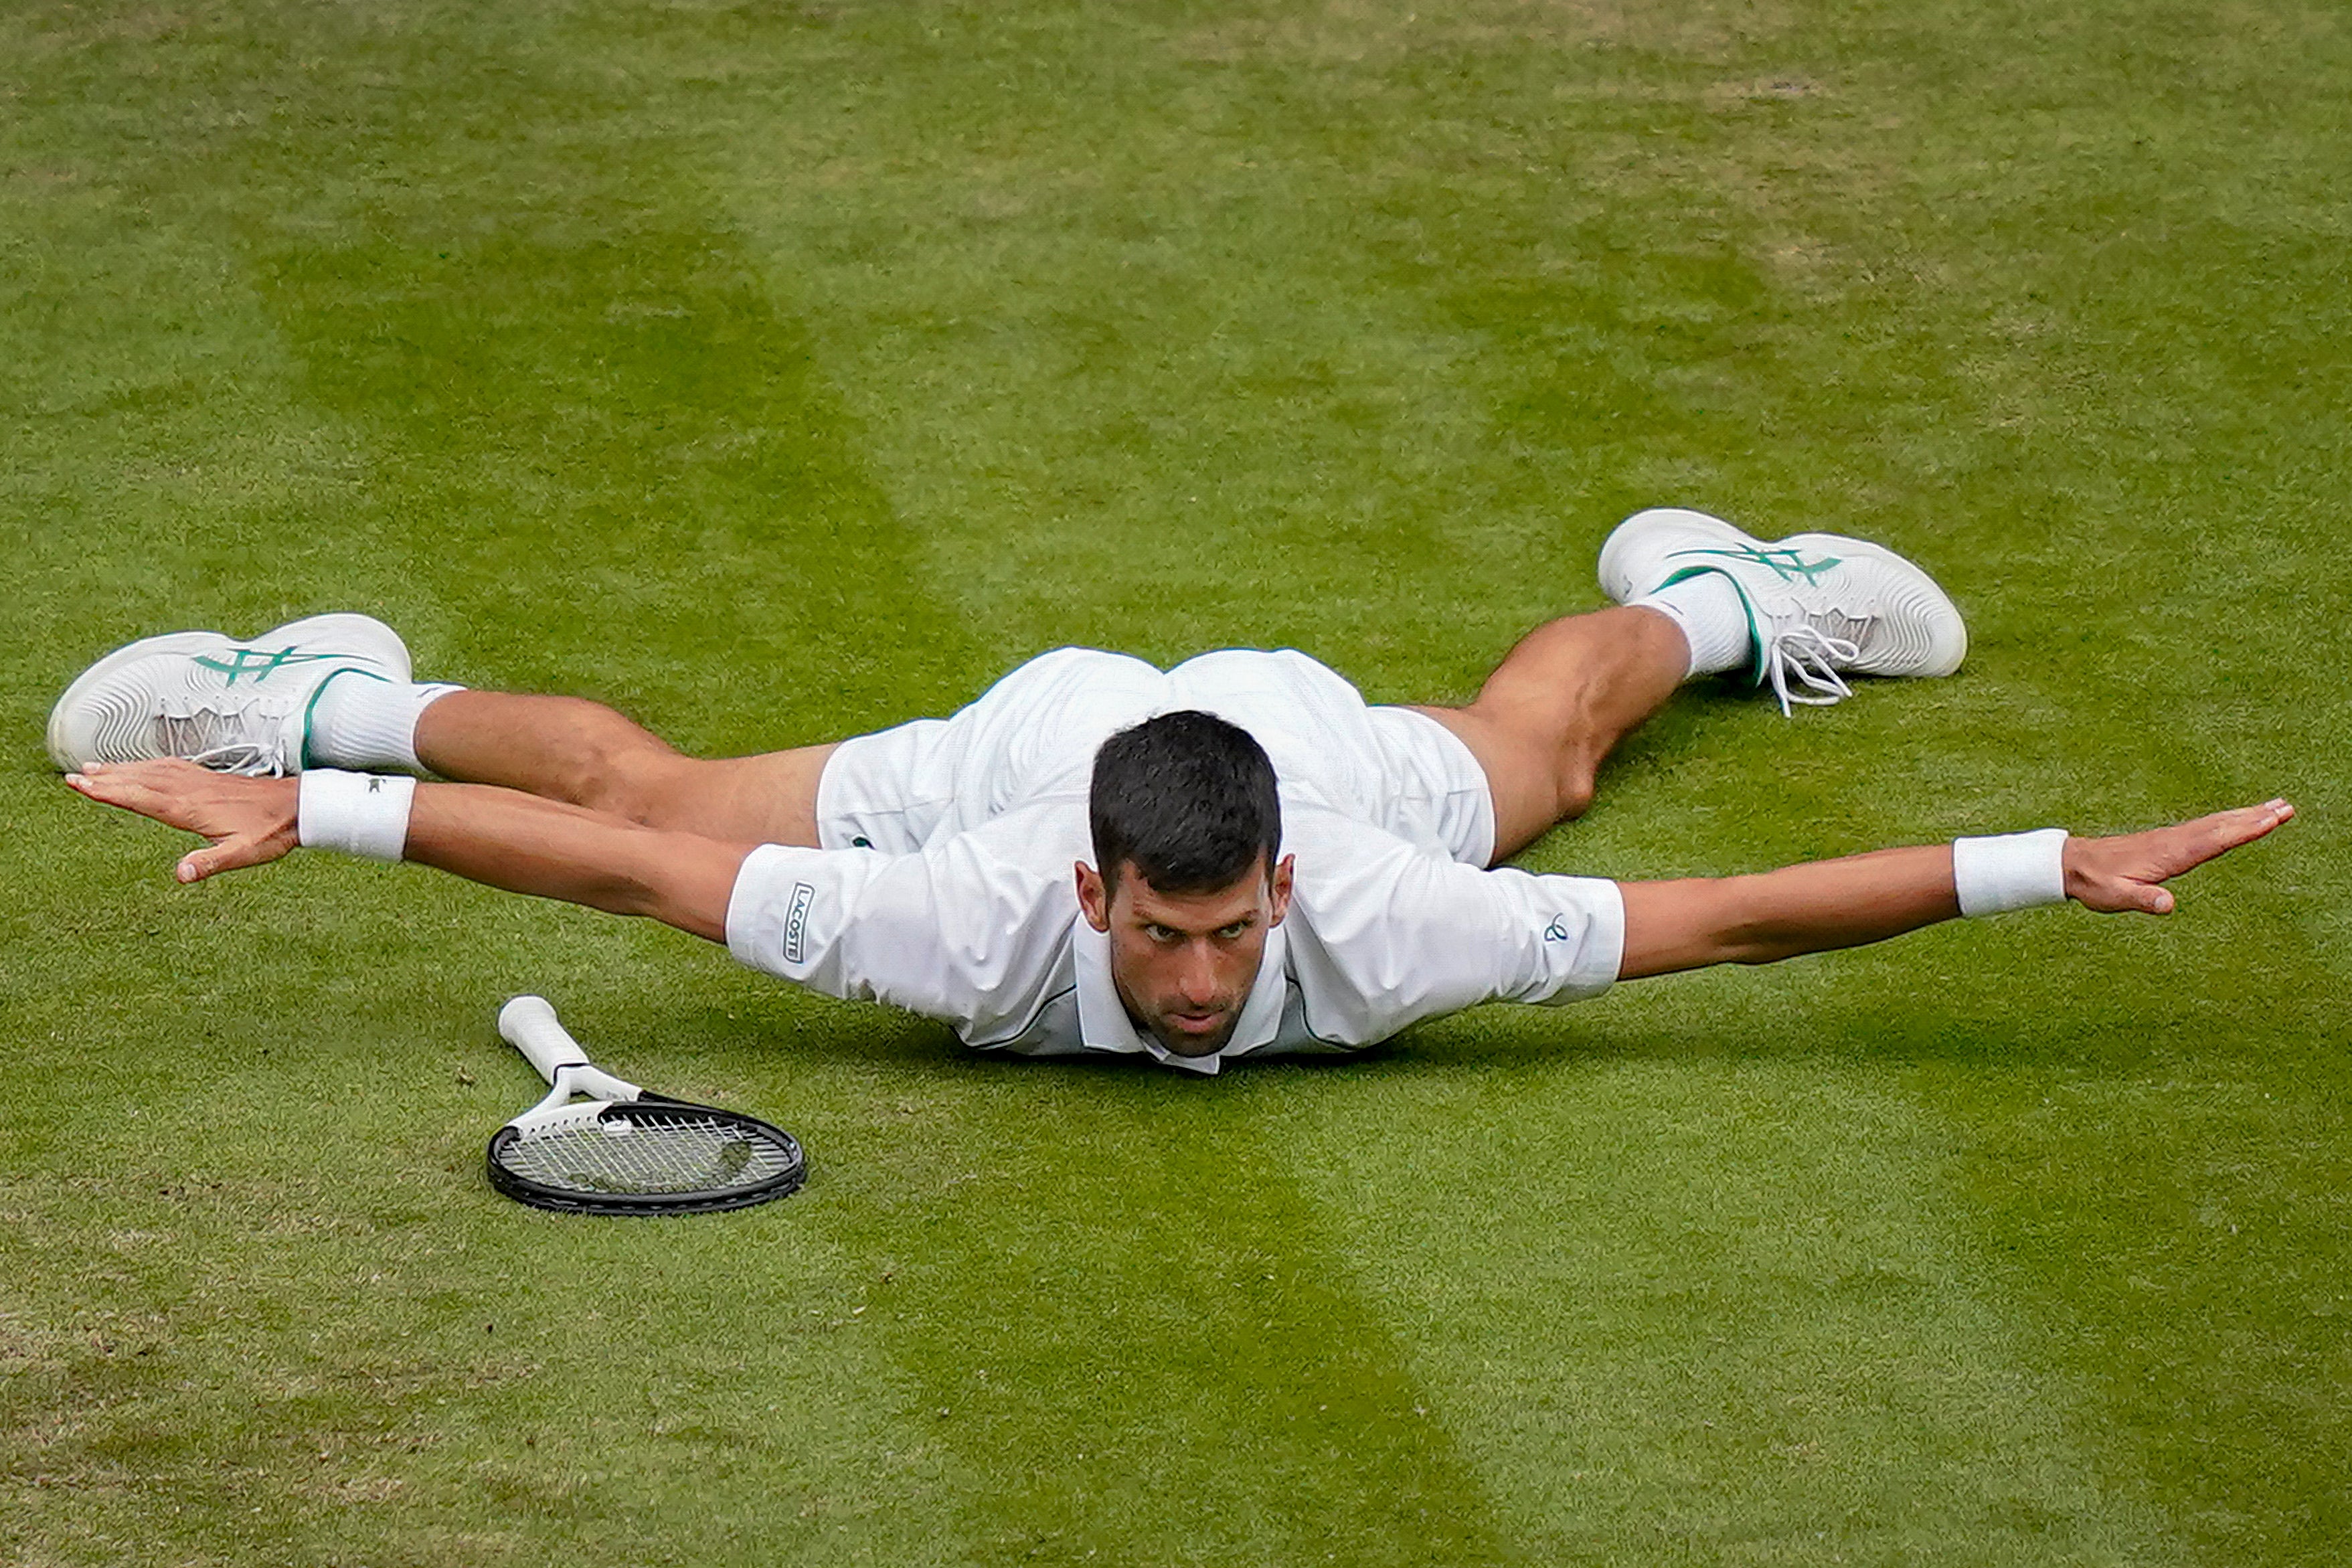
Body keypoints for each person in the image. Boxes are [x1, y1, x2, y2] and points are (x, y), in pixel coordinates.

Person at [52, 508, 2291, 1073]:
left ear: (1285, 890)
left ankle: (1719, 591)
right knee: (661, 775)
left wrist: (2035, 867)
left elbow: (1725, 917)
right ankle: (320, 702)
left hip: (1300, 740)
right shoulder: (965, 900)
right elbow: (625, 862)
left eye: (1230, 936)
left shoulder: (1390, 916)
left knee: (1563, 740)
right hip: (1034, 739)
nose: (1205, 977)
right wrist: (327, 822)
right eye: (1169, 933)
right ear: (1098, 895)